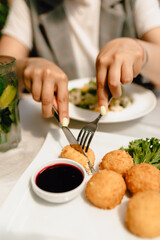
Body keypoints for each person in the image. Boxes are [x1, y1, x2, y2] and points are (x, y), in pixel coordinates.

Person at [0, 0, 160, 126]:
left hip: (134, 125)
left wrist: (141, 50)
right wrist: (24, 68)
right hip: (60, 128)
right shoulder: (29, 4)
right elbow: (3, 66)